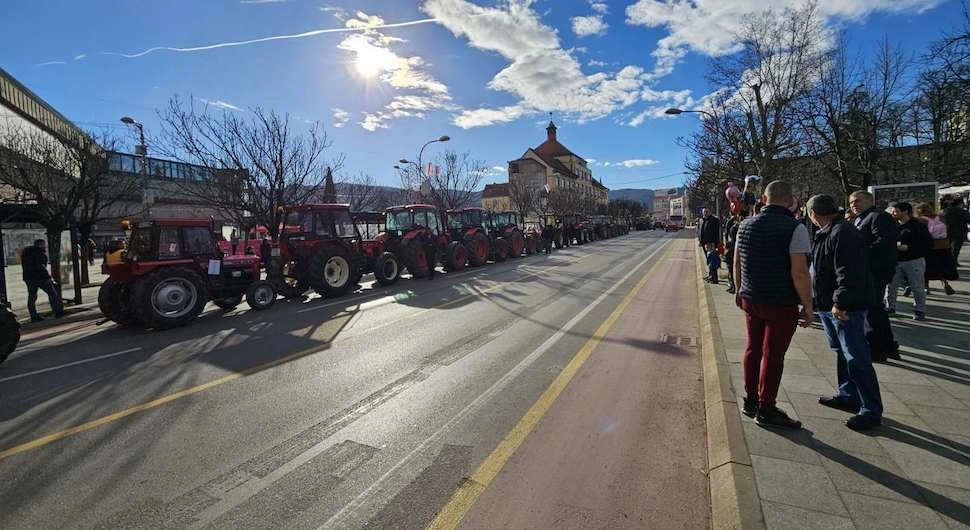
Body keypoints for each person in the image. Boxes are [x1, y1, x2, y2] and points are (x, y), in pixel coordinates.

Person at [734, 180, 813, 429]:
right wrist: (808, 306)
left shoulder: (745, 225)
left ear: (764, 199)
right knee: (773, 355)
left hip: (751, 297)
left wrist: (739, 290)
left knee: (752, 349)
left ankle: (750, 400)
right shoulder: (795, 228)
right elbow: (799, 272)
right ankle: (767, 408)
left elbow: (737, 263)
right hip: (780, 301)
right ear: (791, 201)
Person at [807, 194, 884, 430]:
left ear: (813, 214)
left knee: (856, 356)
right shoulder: (830, 232)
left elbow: (848, 272)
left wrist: (840, 302)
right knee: (842, 351)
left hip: (844, 306)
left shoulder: (842, 233)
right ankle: (849, 394)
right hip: (828, 304)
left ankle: (870, 409)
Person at [849, 190, 899, 362]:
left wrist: (859, 253)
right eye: (851, 202)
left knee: (872, 310)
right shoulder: (860, 218)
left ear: (870, 200)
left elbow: (883, 242)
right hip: (867, 271)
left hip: (875, 271)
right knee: (875, 308)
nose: (854, 205)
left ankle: (879, 348)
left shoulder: (879, 217)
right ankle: (889, 345)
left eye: (858, 201)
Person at [887, 202, 932, 321]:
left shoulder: (918, 225)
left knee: (917, 286)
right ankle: (890, 307)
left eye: (895, 211)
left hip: (913, 260)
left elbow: (927, 244)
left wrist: (909, 247)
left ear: (905, 211)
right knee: (891, 285)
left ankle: (919, 310)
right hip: (895, 260)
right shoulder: (892, 225)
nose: (893, 213)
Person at [915, 203, 957, 296]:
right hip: (943, 246)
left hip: (929, 247)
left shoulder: (921, 220)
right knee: (941, 267)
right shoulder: (940, 218)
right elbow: (949, 230)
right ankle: (945, 283)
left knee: (926, 268)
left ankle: (926, 287)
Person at [21, 239, 65, 323]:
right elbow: (41, 267)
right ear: (40, 245)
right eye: (44, 244)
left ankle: (33, 316)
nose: (45, 246)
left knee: (32, 297)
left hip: (29, 278)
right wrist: (49, 277)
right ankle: (57, 312)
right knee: (52, 293)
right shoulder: (39, 253)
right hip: (41, 278)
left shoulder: (26, 253)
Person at [943, 196, 970, 262]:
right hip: (960, 232)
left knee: (948, 248)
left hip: (947, 231)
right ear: (960, 203)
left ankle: (949, 261)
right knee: (956, 248)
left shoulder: (946, 211)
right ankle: (953, 262)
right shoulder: (963, 211)